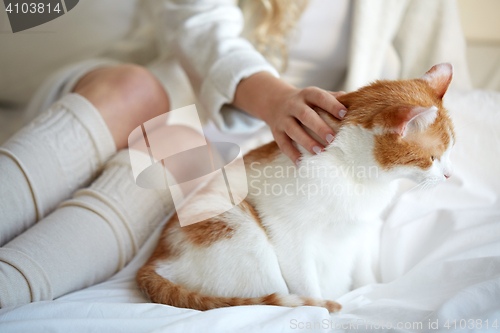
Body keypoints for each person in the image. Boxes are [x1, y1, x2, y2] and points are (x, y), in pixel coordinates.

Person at [0, 0, 471, 308]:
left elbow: (451, 91)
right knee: (137, 94)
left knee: (188, 169)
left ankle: (13, 286)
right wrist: (274, 102)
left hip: (292, 149)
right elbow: (193, 19)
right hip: (185, 99)